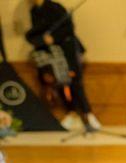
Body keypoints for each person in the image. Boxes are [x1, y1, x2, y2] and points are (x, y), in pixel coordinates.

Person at [25, 0, 101, 131]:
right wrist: (41, 40)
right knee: (60, 82)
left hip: (67, 49)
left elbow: (69, 28)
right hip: (53, 53)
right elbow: (37, 32)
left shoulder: (55, 7)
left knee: (75, 82)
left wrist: (53, 37)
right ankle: (71, 114)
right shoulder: (34, 11)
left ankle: (89, 115)